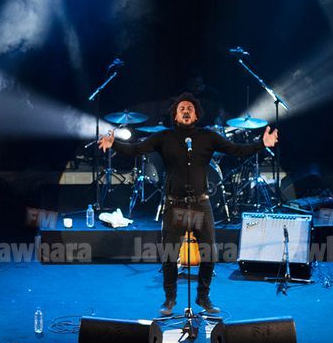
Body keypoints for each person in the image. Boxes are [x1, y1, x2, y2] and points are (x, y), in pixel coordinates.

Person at [100, 92, 278, 315]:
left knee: (209, 254)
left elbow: (237, 150)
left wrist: (262, 143)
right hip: (175, 205)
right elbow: (136, 149)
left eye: (190, 109)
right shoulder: (164, 137)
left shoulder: (208, 137)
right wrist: (114, 144)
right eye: (182, 108)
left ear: (196, 115)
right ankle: (170, 299)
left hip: (200, 205)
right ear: (175, 115)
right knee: (169, 255)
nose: (186, 111)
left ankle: (203, 297)